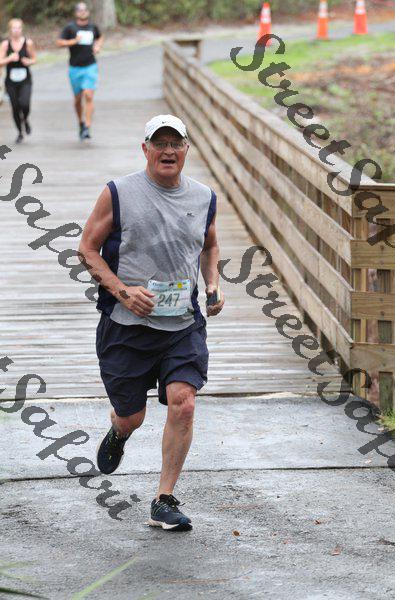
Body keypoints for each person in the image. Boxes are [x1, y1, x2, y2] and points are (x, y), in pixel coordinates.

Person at [78, 114, 225, 531]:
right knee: (132, 416)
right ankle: (119, 431)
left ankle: (164, 498)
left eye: (175, 143)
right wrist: (123, 291)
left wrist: (213, 284)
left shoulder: (203, 197)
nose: (168, 151)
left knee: (184, 402)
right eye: (159, 143)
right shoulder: (118, 193)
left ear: (186, 149)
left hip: (182, 324)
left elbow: (210, 245)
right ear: (145, 149)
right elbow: (87, 249)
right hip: (126, 325)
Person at [57, 2, 103, 140]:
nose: (82, 12)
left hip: (90, 66)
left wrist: (97, 46)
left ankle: (87, 127)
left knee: (88, 95)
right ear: (76, 12)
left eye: (84, 10)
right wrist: (73, 41)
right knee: (78, 99)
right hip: (75, 68)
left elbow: (100, 37)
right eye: (79, 10)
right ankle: (81, 122)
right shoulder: (70, 27)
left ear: (88, 12)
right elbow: (59, 42)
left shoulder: (93, 27)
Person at [0, 18, 36, 144]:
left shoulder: (28, 43)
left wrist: (28, 61)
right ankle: (20, 132)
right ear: (10, 30)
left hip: (25, 79)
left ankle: (25, 120)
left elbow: (34, 59)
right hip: (11, 81)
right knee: (15, 106)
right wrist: (9, 59)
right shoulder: (5, 44)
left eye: (18, 28)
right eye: (14, 28)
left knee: (25, 104)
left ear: (22, 29)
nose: (16, 30)